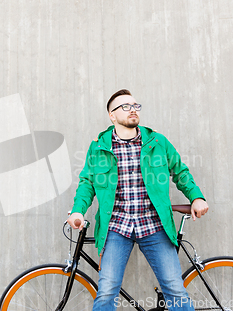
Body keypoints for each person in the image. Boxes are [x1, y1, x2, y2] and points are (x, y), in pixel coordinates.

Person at [66, 89, 209, 311]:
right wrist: (77, 211)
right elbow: (87, 183)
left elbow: (180, 172)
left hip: (154, 225)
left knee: (174, 289)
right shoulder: (99, 147)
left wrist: (196, 197)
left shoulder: (157, 142)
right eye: (125, 106)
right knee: (106, 292)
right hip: (116, 228)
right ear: (112, 116)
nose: (132, 109)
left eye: (135, 105)